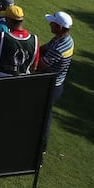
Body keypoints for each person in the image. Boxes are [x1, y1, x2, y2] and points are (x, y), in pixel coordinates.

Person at [37, 11, 74, 149]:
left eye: (52, 22)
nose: (50, 24)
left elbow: (40, 65)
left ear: (59, 27)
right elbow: (43, 48)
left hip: (52, 86)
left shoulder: (59, 48)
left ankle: (41, 147)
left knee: (45, 116)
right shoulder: (61, 39)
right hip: (55, 83)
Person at [0, 5, 39, 76]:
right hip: (22, 82)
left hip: (0, 79)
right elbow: (34, 67)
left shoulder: (2, 37)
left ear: (8, 19)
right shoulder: (34, 40)